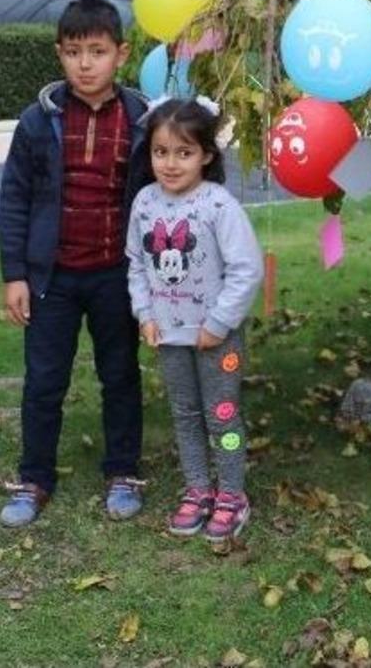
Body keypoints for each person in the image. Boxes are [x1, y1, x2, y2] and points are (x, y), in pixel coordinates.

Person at [0, 0, 152, 526]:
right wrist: (15, 274)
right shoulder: (38, 122)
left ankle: (123, 471)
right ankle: (34, 477)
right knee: (44, 381)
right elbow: (14, 201)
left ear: (121, 54)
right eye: (72, 52)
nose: (85, 64)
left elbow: (163, 193)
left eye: (97, 51)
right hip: (52, 279)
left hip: (116, 277)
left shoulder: (142, 120)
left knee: (120, 376)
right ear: (59, 55)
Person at [127, 97, 263, 541]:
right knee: (184, 414)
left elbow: (247, 269)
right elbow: (136, 264)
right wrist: (144, 313)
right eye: (160, 152)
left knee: (221, 415)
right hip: (169, 337)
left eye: (183, 153)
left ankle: (232, 493)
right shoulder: (144, 203)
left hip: (215, 339)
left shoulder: (219, 207)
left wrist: (218, 324)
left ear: (206, 154)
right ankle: (198, 489)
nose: (170, 163)